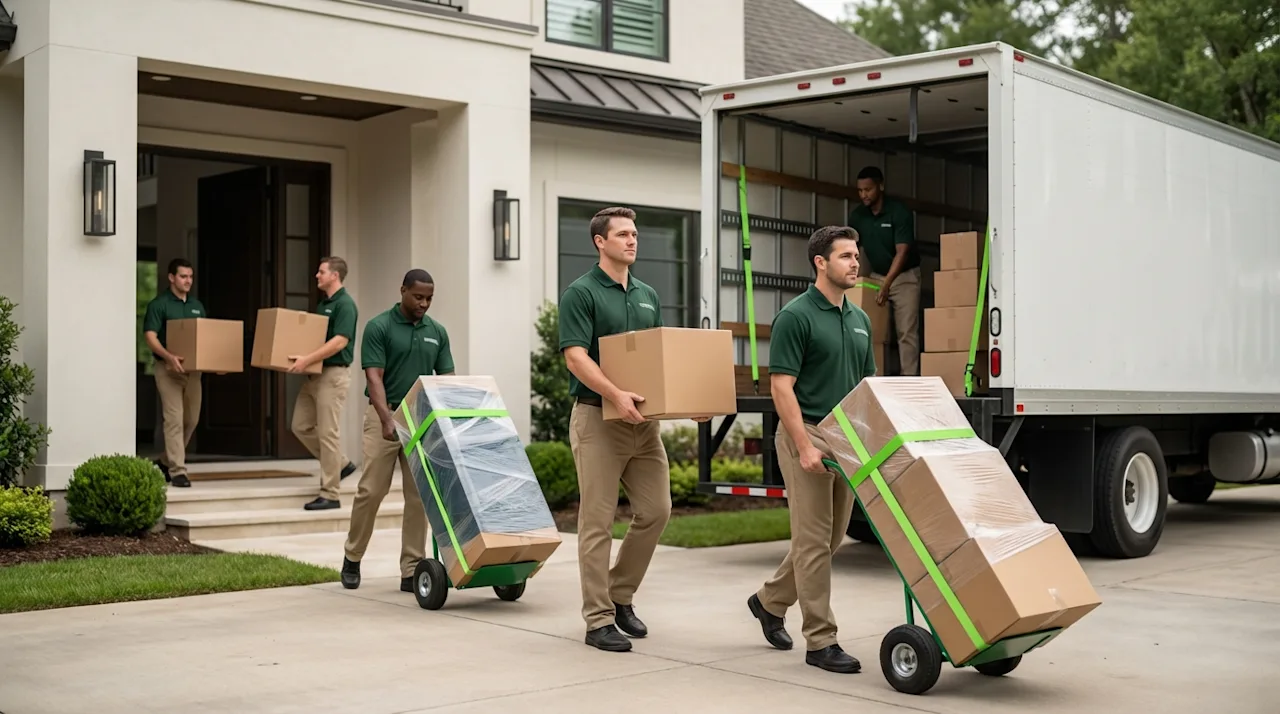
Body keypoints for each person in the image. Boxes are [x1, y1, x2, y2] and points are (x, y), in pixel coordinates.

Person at [559, 206, 701, 653]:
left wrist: (689, 401)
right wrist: (615, 394)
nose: (633, 240)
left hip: (644, 424)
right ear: (600, 242)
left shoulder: (646, 293)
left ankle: (619, 595)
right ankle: (597, 619)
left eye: (635, 234)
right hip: (597, 418)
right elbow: (575, 356)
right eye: (623, 234)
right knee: (597, 521)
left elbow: (656, 360)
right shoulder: (581, 293)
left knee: (657, 510)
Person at [745, 226, 877, 674]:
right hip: (808, 433)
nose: (854, 263)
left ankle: (769, 601)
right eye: (845, 256)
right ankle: (821, 640)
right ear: (820, 263)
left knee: (832, 537)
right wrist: (803, 446)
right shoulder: (796, 316)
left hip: (845, 438)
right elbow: (782, 388)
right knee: (812, 540)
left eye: (856, 256)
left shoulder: (859, 319)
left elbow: (866, 388)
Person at [340, 269, 452, 593]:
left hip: (420, 419)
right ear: (402, 290)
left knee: (419, 497)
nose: (424, 303)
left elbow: (445, 377)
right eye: (418, 297)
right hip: (383, 414)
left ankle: (412, 568)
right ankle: (352, 556)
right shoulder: (380, 327)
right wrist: (387, 419)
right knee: (372, 490)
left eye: (429, 298)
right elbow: (373, 377)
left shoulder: (437, 332)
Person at [289, 256, 359, 511]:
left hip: (334, 375)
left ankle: (331, 493)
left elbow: (340, 341)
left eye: (321, 272)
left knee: (329, 433)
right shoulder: (324, 305)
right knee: (300, 425)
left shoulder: (345, 305)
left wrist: (307, 358)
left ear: (335, 276)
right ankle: (339, 465)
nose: (316, 275)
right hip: (315, 375)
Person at [847, 166, 921, 376]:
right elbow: (854, 248)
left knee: (906, 332)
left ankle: (909, 381)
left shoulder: (899, 212)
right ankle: (874, 378)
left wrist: (887, 284)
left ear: (880, 186)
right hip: (876, 276)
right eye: (860, 190)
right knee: (874, 331)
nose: (864, 195)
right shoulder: (858, 216)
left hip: (904, 277)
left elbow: (903, 251)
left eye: (868, 190)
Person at [142, 258, 207, 489]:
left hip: (193, 372)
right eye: (183, 276)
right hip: (167, 369)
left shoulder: (197, 306)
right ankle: (177, 470)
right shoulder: (159, 305)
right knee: (174, 419)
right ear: (171, 277)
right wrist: (168, 356)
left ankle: (164, 460)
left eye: (190, 276)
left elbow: (205, 338)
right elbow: (150, 336)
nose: (188, 281)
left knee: (191, 420)